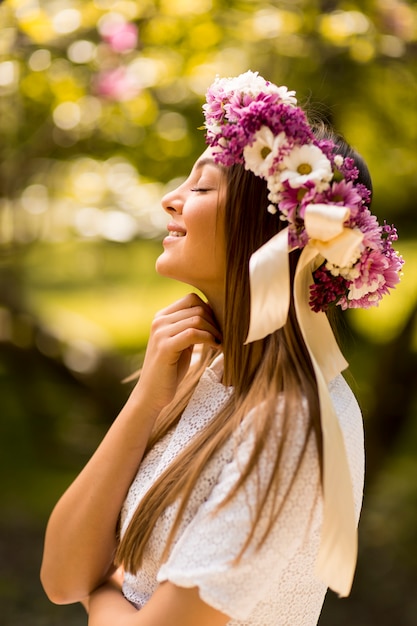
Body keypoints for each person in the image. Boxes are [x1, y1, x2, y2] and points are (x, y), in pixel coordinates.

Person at [40, 71, 403, 626]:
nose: (171, 199)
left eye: (202, 187)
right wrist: (146, 402)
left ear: (263, 228)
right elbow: (62, 576)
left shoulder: (295, 425)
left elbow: (93, 587)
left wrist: (108, 583)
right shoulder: (205, 370)